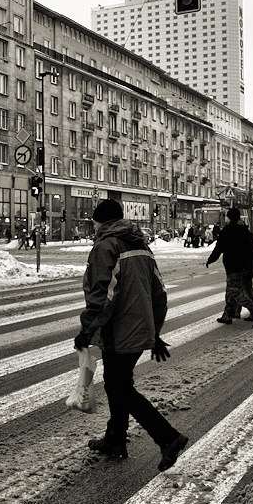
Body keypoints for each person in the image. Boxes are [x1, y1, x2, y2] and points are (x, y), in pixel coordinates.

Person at [74, 198, 188, 470]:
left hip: (118, 331)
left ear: (100, 221)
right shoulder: (142, 247)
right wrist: (155, 332)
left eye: (94, 221)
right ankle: (115, 438)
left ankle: (168, 437)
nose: (93, 225)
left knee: (119, 387)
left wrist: (86, 330)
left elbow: (102, 297)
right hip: (139, 330)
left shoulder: (105, 247)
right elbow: (159, 293)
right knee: (118, 383)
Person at [205, 207, 253, 328]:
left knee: (235, 291)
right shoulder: (245, 232)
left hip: (233, 266)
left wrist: (210, 260)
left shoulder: (227, 231)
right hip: (245, 266)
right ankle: (227, 315)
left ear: (229, 217)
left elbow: (218, 248)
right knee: (231, 291)